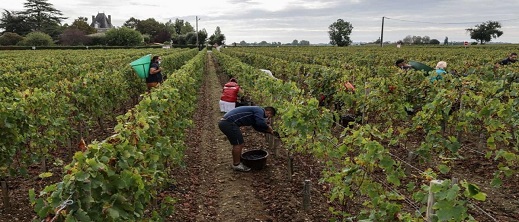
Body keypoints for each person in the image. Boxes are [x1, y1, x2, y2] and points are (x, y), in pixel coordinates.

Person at [218, 106, 277, 172]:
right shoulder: (259, 110)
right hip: (228, 123)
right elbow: (260, 122)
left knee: (239, 143)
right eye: (269, 116)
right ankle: (236, 165)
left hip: (227, 122)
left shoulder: (256, 112)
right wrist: (269, 128)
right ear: (269, 112)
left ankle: (239, 161)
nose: (268, 118)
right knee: (238, 144)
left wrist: (269, 132)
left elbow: (256, 127)